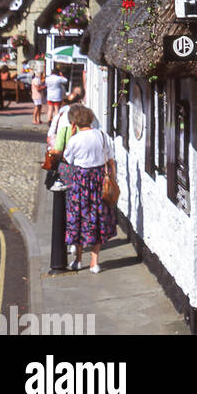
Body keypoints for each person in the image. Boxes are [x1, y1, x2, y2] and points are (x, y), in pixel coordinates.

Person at [61, 107, 116, 273]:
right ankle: (94, 262)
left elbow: (67, 159)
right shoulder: (102, 136)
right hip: (99, 179)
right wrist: (113, 179)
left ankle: (78, 260)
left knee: (77, 218)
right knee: (97, 218)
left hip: (80, 181)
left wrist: (71, 136)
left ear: (74, 122)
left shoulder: (75, 140)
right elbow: (111, 160)